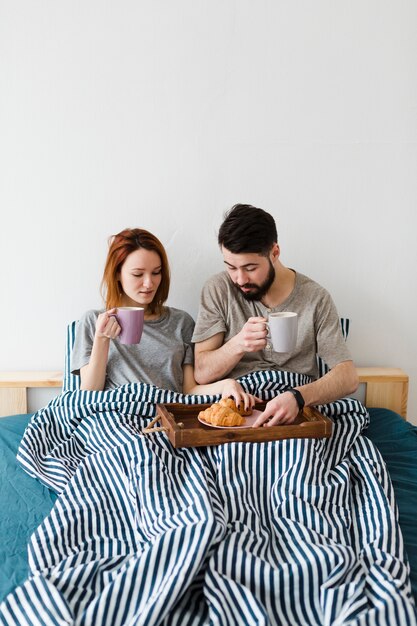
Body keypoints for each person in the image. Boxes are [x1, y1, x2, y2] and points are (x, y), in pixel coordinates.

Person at [192, 204, 359, 426]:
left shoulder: (315, 298)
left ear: (275, 252)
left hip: (297, 406)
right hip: (241, 408)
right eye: (231, 267)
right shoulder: (218, 290)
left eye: (250, 268)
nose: (240, 279)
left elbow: (347, 377)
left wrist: (298, 397)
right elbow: (201, 373)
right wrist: (237, 345)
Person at [71, 227, 256, 409]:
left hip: (165, 418)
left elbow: (189, 391)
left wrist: (226, 385)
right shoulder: (93, 321)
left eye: (156, 272)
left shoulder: (181, 322)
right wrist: (102, 339)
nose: (149, 283)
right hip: (115, 417)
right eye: (137, 274)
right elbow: (89, 395)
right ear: (117, 273)